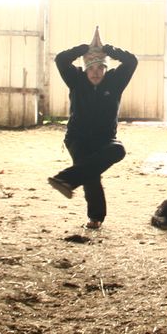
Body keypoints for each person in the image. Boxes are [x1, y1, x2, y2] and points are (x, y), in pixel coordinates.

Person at [48, 28, 138, 229]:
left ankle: (65, 179)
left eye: (100, 68)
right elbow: (61, 59)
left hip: (105, 139)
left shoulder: (115, 82)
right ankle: (95, 218)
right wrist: (82, 49)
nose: (95, 73)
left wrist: (109, 50)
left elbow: (131, 61)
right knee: (91, 173)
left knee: (118, 150)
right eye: (91, 68)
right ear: (85, 69)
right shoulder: (76, 80)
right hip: (77, 138)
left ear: (106, 69)